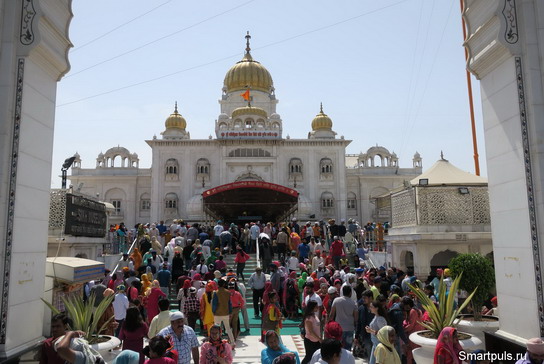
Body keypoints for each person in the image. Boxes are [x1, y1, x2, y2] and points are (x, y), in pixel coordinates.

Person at [328, 285, 357, 350]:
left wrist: (329, 324)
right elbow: (356, 318)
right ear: (350, 293)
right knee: (348, 348)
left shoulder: (336, 300)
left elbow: (331, 315)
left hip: (338, 328)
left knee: (337, 347)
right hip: (350, 328)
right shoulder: (354, 303)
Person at [212, 279, 235, 344]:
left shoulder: (216, 293)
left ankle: (217, 342)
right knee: (228, 328)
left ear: (217, 284)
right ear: (224, 284)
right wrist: (230, 312)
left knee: (217, 329)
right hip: (226, 313)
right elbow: (229, 303)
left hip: (217, 313)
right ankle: (233, 342)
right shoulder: (228, 292)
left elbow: (214, 304)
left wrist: (213, 312)